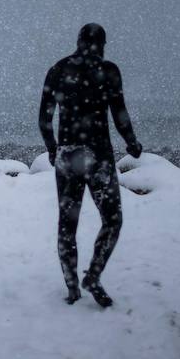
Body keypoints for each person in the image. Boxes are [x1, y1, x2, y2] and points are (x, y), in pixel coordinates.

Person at [37, 23, 142, 308]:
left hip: (68, 156)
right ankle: (93, 276)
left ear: (78, 41)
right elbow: (119, 114)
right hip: (98, 158)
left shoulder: (58, 70)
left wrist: (52, 148)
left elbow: (44, 120)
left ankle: (72, 287)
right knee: (112, 220)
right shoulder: (108, 71)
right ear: (103, 44)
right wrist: (132, 142)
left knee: (67, 225)